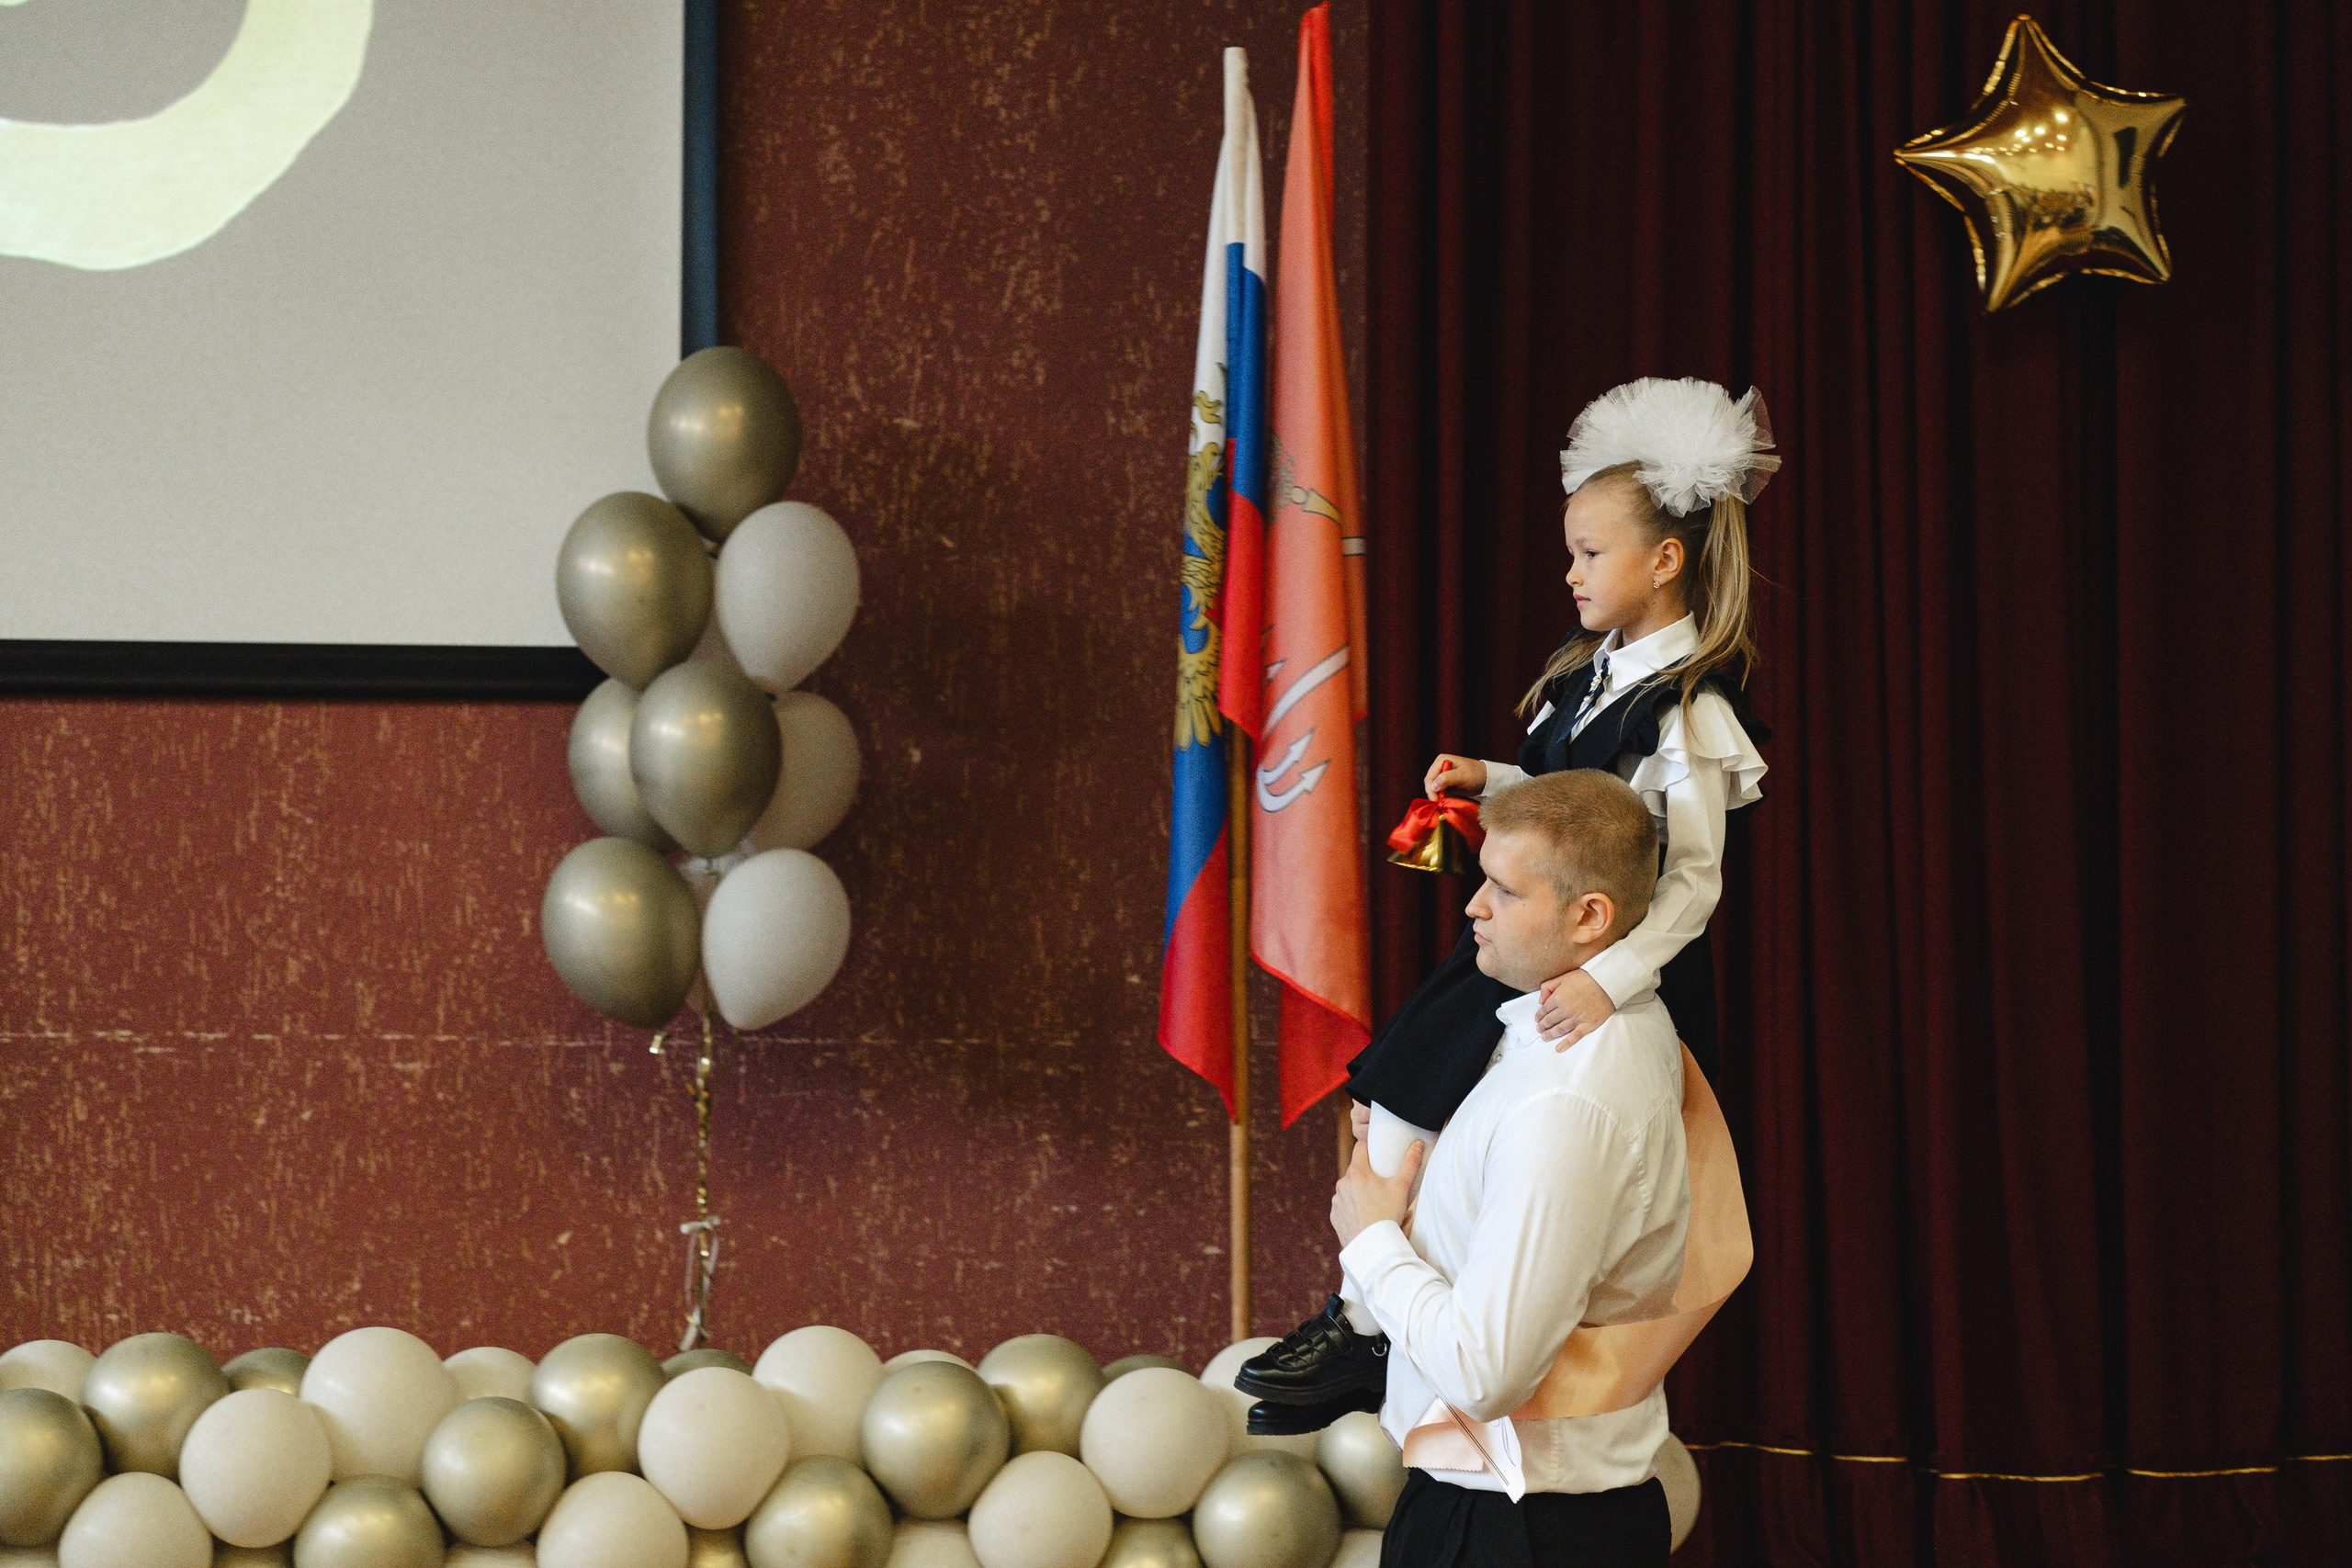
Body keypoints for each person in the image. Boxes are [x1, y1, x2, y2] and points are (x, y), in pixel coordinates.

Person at [1239, 377, 1776, 1434]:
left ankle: (1375, 1320)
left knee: (1463, 1113)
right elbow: (1573, 802)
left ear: (1665, 560)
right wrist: (1488, 780)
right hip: (1534, 937)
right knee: (1396, 1084)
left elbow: (1692, 881)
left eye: (1589, 553)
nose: (1568, 573)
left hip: (1600, 958)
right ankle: (1365, 1317)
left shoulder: (1690, 707)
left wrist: (1604, 976)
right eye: (1569, 552)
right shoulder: (1590, 679)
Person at [1333, 770, 1693, 1566]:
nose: (1473, 907)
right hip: (1518, 1510)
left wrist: (1371, 1240)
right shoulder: (1578, 1030)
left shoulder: (1568, 1097)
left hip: (1514, 1526)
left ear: (1589, 917)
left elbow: (1483, 1368)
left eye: (1503, 888)